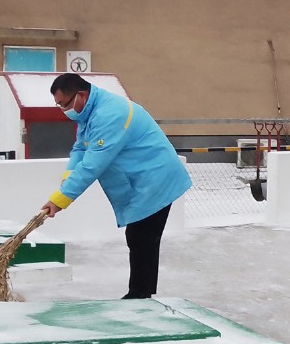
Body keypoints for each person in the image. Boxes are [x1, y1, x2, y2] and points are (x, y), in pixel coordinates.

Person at [40, 73, 192, 299]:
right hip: (142, 178)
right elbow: (81, 148)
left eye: (64, 104)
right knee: (141, 238)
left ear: (81, 95)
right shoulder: (90, 112)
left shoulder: (109, 114)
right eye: (59, 105)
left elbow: (92, 165)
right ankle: (142, 295)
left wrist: (60, 199)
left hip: (155, 177)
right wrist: (68, 176)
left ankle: (139, 296)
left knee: (141, 237)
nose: (63, 110)